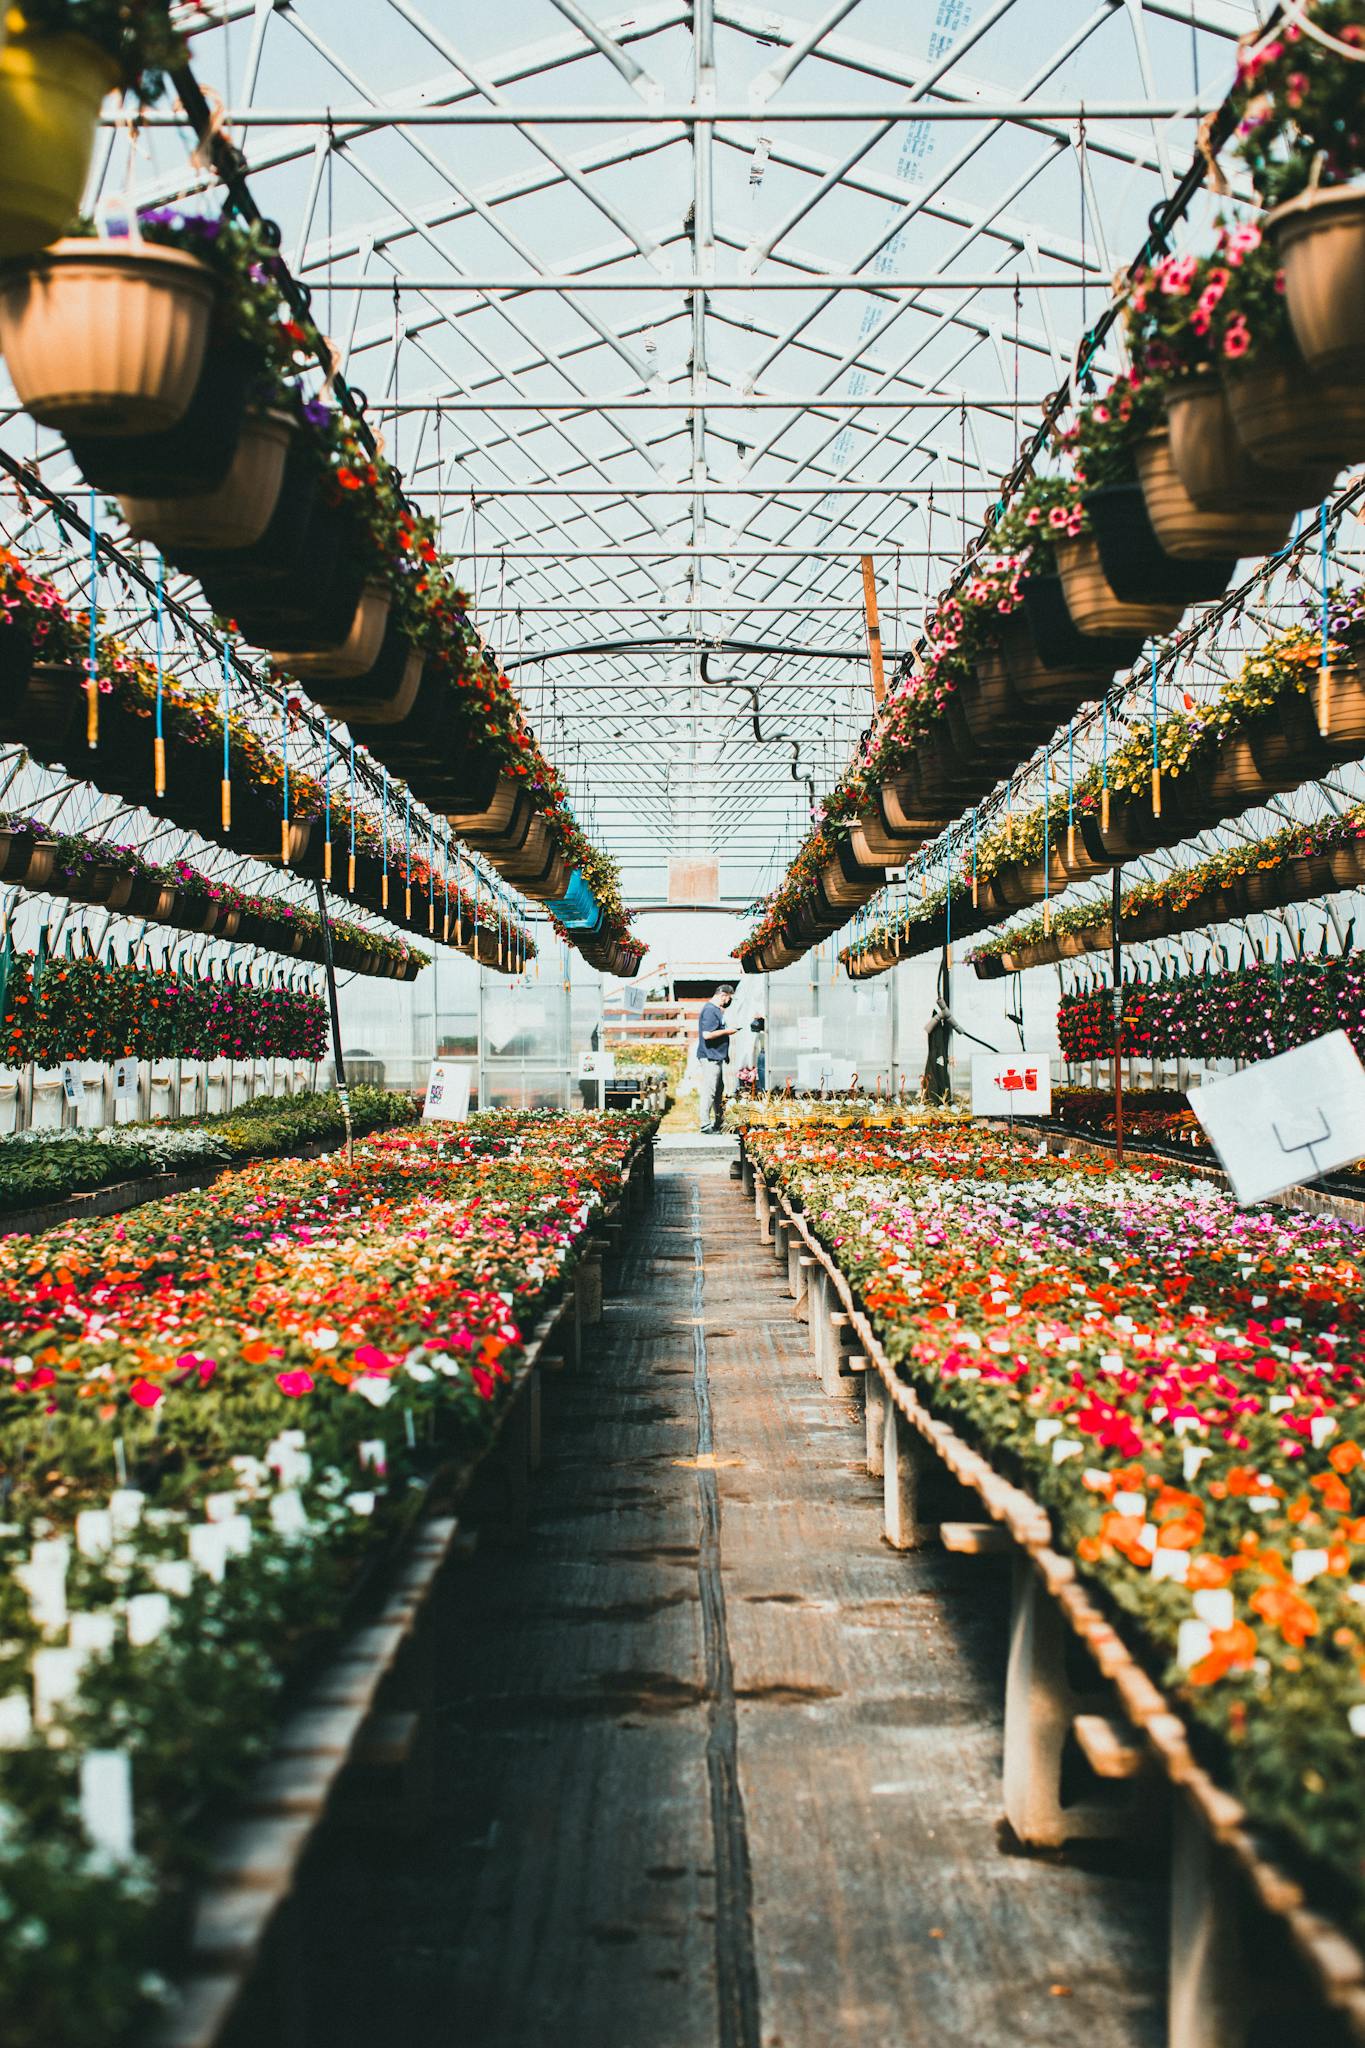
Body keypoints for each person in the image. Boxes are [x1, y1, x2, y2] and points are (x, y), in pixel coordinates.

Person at [696, 982, 739, 1132]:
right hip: (710, 1057)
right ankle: (705, 1123)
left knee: (718, 1089)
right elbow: (707, 1035)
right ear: (723, 996)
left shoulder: (716, 1010)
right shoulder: (710, 1010)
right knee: (710, 1090)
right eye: (729, 998)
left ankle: (718, 1122)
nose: (729, 1002)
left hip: (716, 1056)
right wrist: (728, 1031)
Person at [750, 1014, 767, 1092]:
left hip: (766, 1051)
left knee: (762, 1071)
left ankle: (764, 1092)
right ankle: (764, 1091)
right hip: (764, 1051)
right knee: (762, 1072)